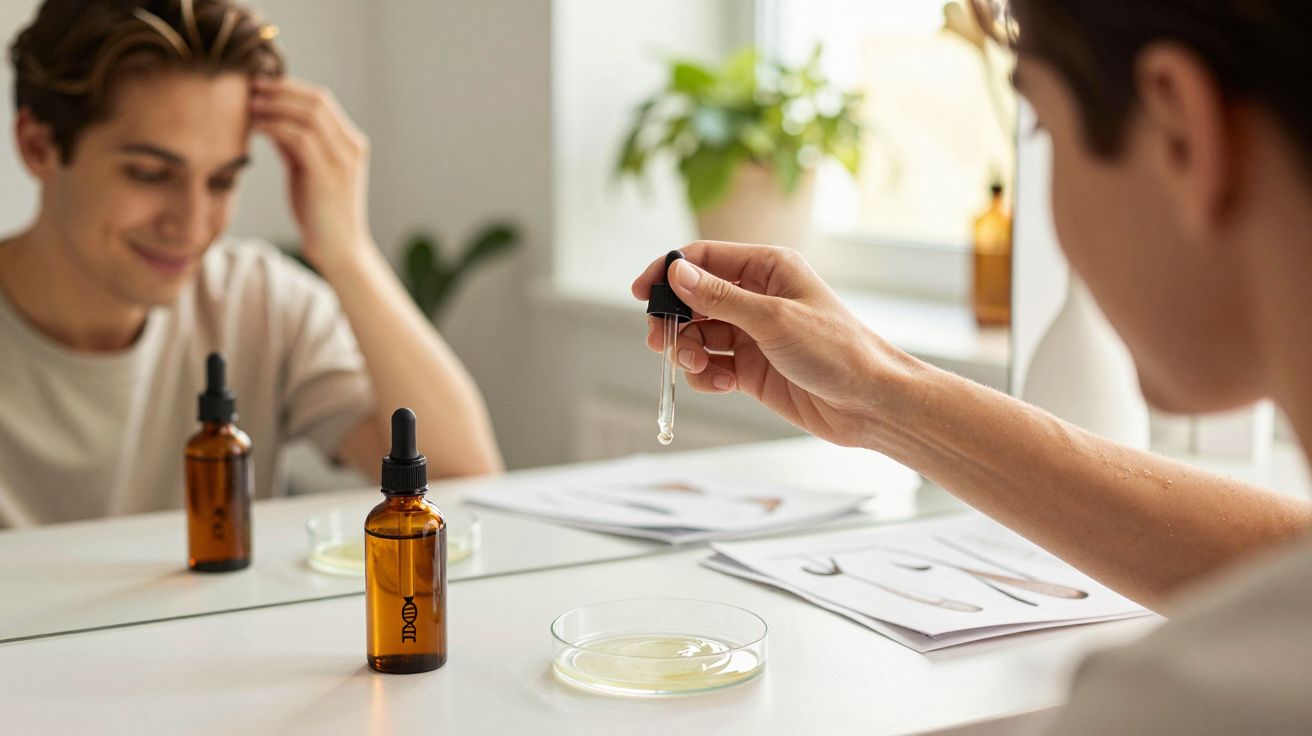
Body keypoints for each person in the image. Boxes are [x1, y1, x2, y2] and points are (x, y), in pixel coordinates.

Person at [633, 1, 1312, 731]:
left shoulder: (1192, 701)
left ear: (1179, 125)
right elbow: (1282, 560)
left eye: (1045, 131)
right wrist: (877, 397)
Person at [0, 0, 502, 527]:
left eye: (222, 181)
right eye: (150, 174)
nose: (194, 225)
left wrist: (348, 251)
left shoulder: (260, 301)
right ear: (38, 147)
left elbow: (463, 485)